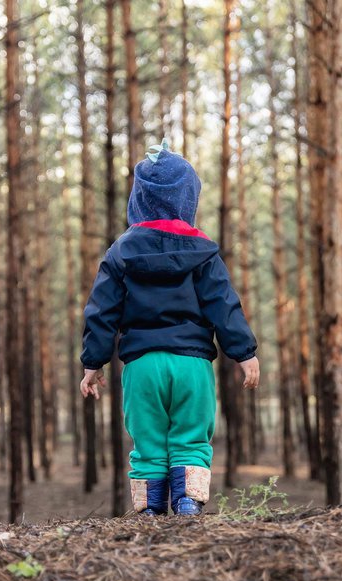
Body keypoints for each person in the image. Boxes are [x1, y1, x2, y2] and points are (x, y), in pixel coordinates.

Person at [79, 141, 260, 517]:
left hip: (141, 366)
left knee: (147, 443)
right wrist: (244, 352)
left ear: (138, 200)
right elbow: (223, 304)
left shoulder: (120, 252)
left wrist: (92, 362)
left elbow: (102, 310)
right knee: (191, 438)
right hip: (191, 365)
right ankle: (187, 503)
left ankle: (149, 512)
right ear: (187, 199)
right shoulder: (203, 251)